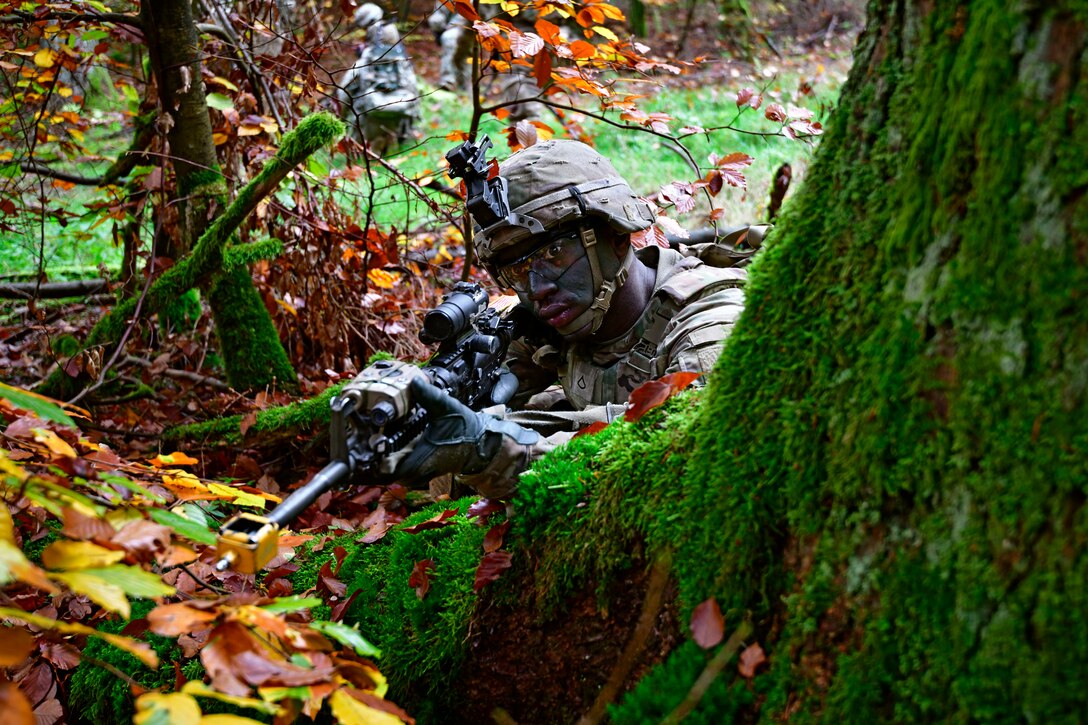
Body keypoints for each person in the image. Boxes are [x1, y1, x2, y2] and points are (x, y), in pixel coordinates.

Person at [391, 139, 748, 498]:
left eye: (554, 253)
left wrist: (489, 449)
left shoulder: (709, 319)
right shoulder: (552, 321)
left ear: (616, 235)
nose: (536, 288)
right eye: (515, 271)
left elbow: (677, 448)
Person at [336, 3, 421, 154]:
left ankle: (370, 144)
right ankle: (397, 140)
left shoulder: (362, 66)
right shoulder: (403, 67)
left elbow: (343, 96)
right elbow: (415, 94)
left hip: (369, 125)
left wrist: (339, 124)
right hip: (400, 123)